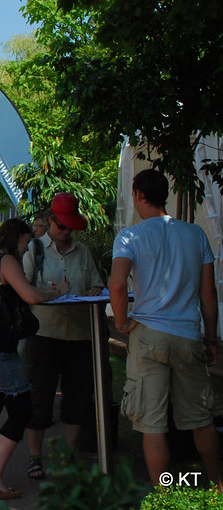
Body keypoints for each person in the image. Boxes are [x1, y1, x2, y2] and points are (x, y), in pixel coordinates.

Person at [110, 169, 222, 489]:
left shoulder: (130, 236)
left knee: (153, 423)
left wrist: (121, 323)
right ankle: (216, 485)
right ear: (165, 195)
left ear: (137, 195)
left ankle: (165, 492)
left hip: (148, 334)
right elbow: (208, 294)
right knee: (202, 419)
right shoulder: (195, 234)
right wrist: (211, 337)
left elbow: (117, 285)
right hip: (188, 333)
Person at [0, 218, 64, 500]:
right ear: (16, 238)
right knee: (22, 408)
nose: (26, 248)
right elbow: (30, 295)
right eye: (25, 241)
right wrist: (58, 292)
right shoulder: (7, 260)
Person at [22, 193, 102, 480]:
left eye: (70, 228)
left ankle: (67, 458)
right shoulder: (34, 250)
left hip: (80, 335)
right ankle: (35, 458)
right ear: (50, 222)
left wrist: (94, 291)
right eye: (62, 227)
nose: (66, 233)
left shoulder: (83, 252)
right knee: (40, 397)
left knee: (76, 399)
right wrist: (54, 293)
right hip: (45, 334)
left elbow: (96, 283)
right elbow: (25, 289)